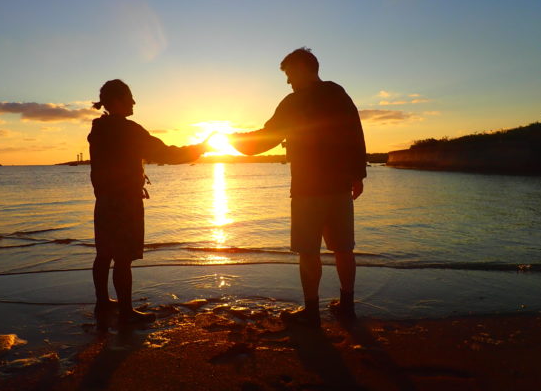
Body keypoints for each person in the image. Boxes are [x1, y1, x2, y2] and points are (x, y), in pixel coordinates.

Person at [229, 48, 366, 326]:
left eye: (290, 74)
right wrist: (358, 174)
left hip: (307, 187)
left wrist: (230, 138)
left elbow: (265, 138)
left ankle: (312, 311)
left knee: (308, 251)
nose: (288, 81)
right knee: (343, 249)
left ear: (303, 69)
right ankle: (347, 305)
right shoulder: (338, 93)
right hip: (339, 185)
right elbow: (355, 131)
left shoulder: (293, 102)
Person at [88, 79, 208, 326]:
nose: (134, 102)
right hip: (125, 203)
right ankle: (126, 312)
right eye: (130, 97)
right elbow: (166, 154)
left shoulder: (98, 130)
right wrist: (200, 148)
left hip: (104, 202)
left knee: (104, 255)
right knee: (123, 259)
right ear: (117, 100)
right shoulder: (129, 130)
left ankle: (102, 303)